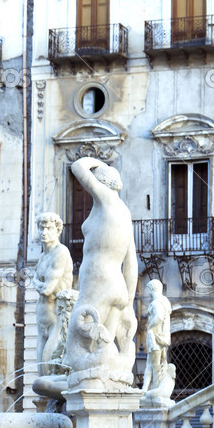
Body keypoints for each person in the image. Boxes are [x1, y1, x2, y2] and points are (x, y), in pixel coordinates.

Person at [66, 157, 138, 381]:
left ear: (102, 182)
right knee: (104, 351)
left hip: (97, 284)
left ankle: (90, 390)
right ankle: (110, 387)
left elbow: (77, 166)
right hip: (117, 287)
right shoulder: (125, 213)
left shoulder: (105, 198)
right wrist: (128, 301)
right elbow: (132, 262)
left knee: (73, 349)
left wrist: (97, 163)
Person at [32, 213, 73, 375]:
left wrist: (37, 283)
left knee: (49, 371)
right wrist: (38, 283)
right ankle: (43, 401)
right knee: (40, 373)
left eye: (49, 228)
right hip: (41, 315)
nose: (44, 232)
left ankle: (53, 400)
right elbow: (37, 282)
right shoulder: (43, 256)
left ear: (57, 231)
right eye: (41, 228)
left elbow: (47, 289)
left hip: (57, 315)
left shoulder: (60, 252)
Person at [141, 279, 172, 398]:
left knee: (152, 364)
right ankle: (148, 388)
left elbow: (158, 317)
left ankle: (153, 388)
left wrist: (150, 327)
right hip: (161, 337)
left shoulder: (156, 303)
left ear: (150, 289)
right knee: (154, 363)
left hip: (155, 336)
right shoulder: (165, 302)